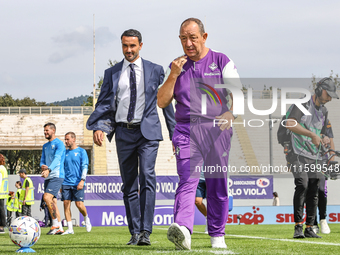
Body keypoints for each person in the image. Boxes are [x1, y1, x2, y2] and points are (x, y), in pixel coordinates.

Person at [157, 18, 242, 249]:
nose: (188, 43)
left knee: (217, 183)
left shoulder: (222, 60)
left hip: (217, 131)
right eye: (183, 38)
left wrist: (231, 114)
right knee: (187, 180)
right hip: (186, 131)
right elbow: (162, 101)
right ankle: (183, 230)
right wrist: (173, 75)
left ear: (204, 37)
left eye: (193, 37)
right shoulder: (175, 65)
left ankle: (217, 234)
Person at [86, 29, 176, 246]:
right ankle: (134, 232)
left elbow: (165, 102)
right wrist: (99, 126)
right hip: (123, 133)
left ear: (141, 46)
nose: (128, 50)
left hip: (148, 133)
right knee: (129, 184)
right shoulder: (112, 73)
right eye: (125, 46)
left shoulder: (155, 70)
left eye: (132, 46)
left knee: (147, 176)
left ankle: (146, 232)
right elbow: (104, 104)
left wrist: (176, 136)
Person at [285, 77, 339, 239]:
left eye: (331, 95)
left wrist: (324, 139)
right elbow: (289, 123)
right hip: (297, 153)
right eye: (327, 94)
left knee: (314, 189)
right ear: (318, 89)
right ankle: (298, 227)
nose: (329, 98)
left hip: (314, 156)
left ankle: (310, 227)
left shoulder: (323, 110)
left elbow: (322, 133)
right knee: (303, 185)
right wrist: (311, 135)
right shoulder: (302, 104)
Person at [61, 132, 92, 235]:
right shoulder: (64, 153)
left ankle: (86, 218)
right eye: (65, 139)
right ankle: (70, 229)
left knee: (79, 204)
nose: (66, 141)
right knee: (66, 204)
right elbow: (62, 169)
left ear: (74, 139)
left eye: (68, 139)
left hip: (78, 182)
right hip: (66, 182)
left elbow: (85, 166)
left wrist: (82, 180)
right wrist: (61, 183)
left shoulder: (81, 152)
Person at [40, 122, 66, 235]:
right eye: (44, 130)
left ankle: (54, 224)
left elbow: (57, 159)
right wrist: (43, 166)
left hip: (57, 175)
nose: (45, 132)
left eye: (47, 130)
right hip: (48, 176)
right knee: (53, 201)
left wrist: (49, 169)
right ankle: (59, 227)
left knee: (46, 197)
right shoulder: (45, 146)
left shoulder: (59, 144)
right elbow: (42, 160)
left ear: (53, 131)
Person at [0, 153, 9, 234]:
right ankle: (2, 226)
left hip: (0, 193)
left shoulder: (0, 168)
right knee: (2, 210)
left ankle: (1, 227)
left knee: (1, 210)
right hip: (2, 193)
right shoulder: (3, 168)